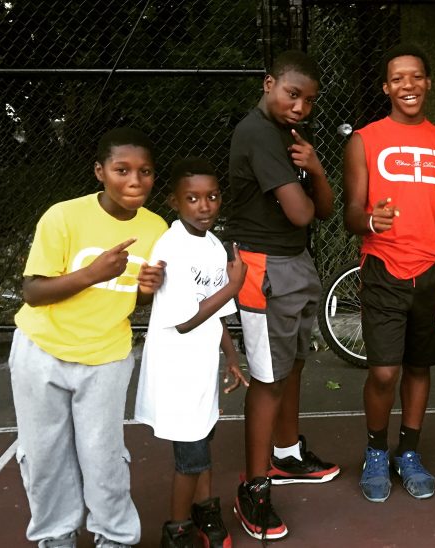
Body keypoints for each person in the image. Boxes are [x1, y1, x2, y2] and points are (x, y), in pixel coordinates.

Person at [8, 127, 168, 547]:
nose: (135, 180)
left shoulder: (156, 228)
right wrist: (91, 273)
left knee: (103, 455)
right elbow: (33, 292)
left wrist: (147, 290)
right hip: (41, 350)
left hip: (106, 355)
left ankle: (114, 535)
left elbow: (135, 297)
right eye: (122, 170)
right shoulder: (63, 216)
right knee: (44, 454)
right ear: (100, 172)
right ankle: (56, 534)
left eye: (145, 171)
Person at [343, 43, 435, 503]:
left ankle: (408, 452)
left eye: (416, 76)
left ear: (429, 83)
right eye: (398, 78)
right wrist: (370, 220)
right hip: (384, 270)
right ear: (385, 87)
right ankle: (376, 451)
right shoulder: (364, 140)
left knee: (419, 366)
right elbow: (351, 214)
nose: (408, 85)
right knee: (383, 372)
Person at [227, 49, 339, 541]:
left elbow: (326, 209)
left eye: (309, 101)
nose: (300, 107)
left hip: (294, 261)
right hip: (264, 266)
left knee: (292, 365)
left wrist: (316, 168)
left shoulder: (290, 136)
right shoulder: (256, 132)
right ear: (269, 83)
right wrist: (309, 185)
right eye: (293, 94)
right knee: (268, 378)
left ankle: (287, 454)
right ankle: (252, 487)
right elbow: (302, 213)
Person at [134, 157, 249, 548]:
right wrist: (233, 287)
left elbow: (215, 313)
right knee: (191, 457)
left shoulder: (213, 245)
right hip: (176, 373)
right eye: (193, 198)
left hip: (202, 368)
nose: (205, 206)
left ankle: (205, 509)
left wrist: (231, 357)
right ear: (174, 201)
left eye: (212, 197)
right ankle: (177, 529)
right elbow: (185, 321)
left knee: (203, 442)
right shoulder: (172, 247)